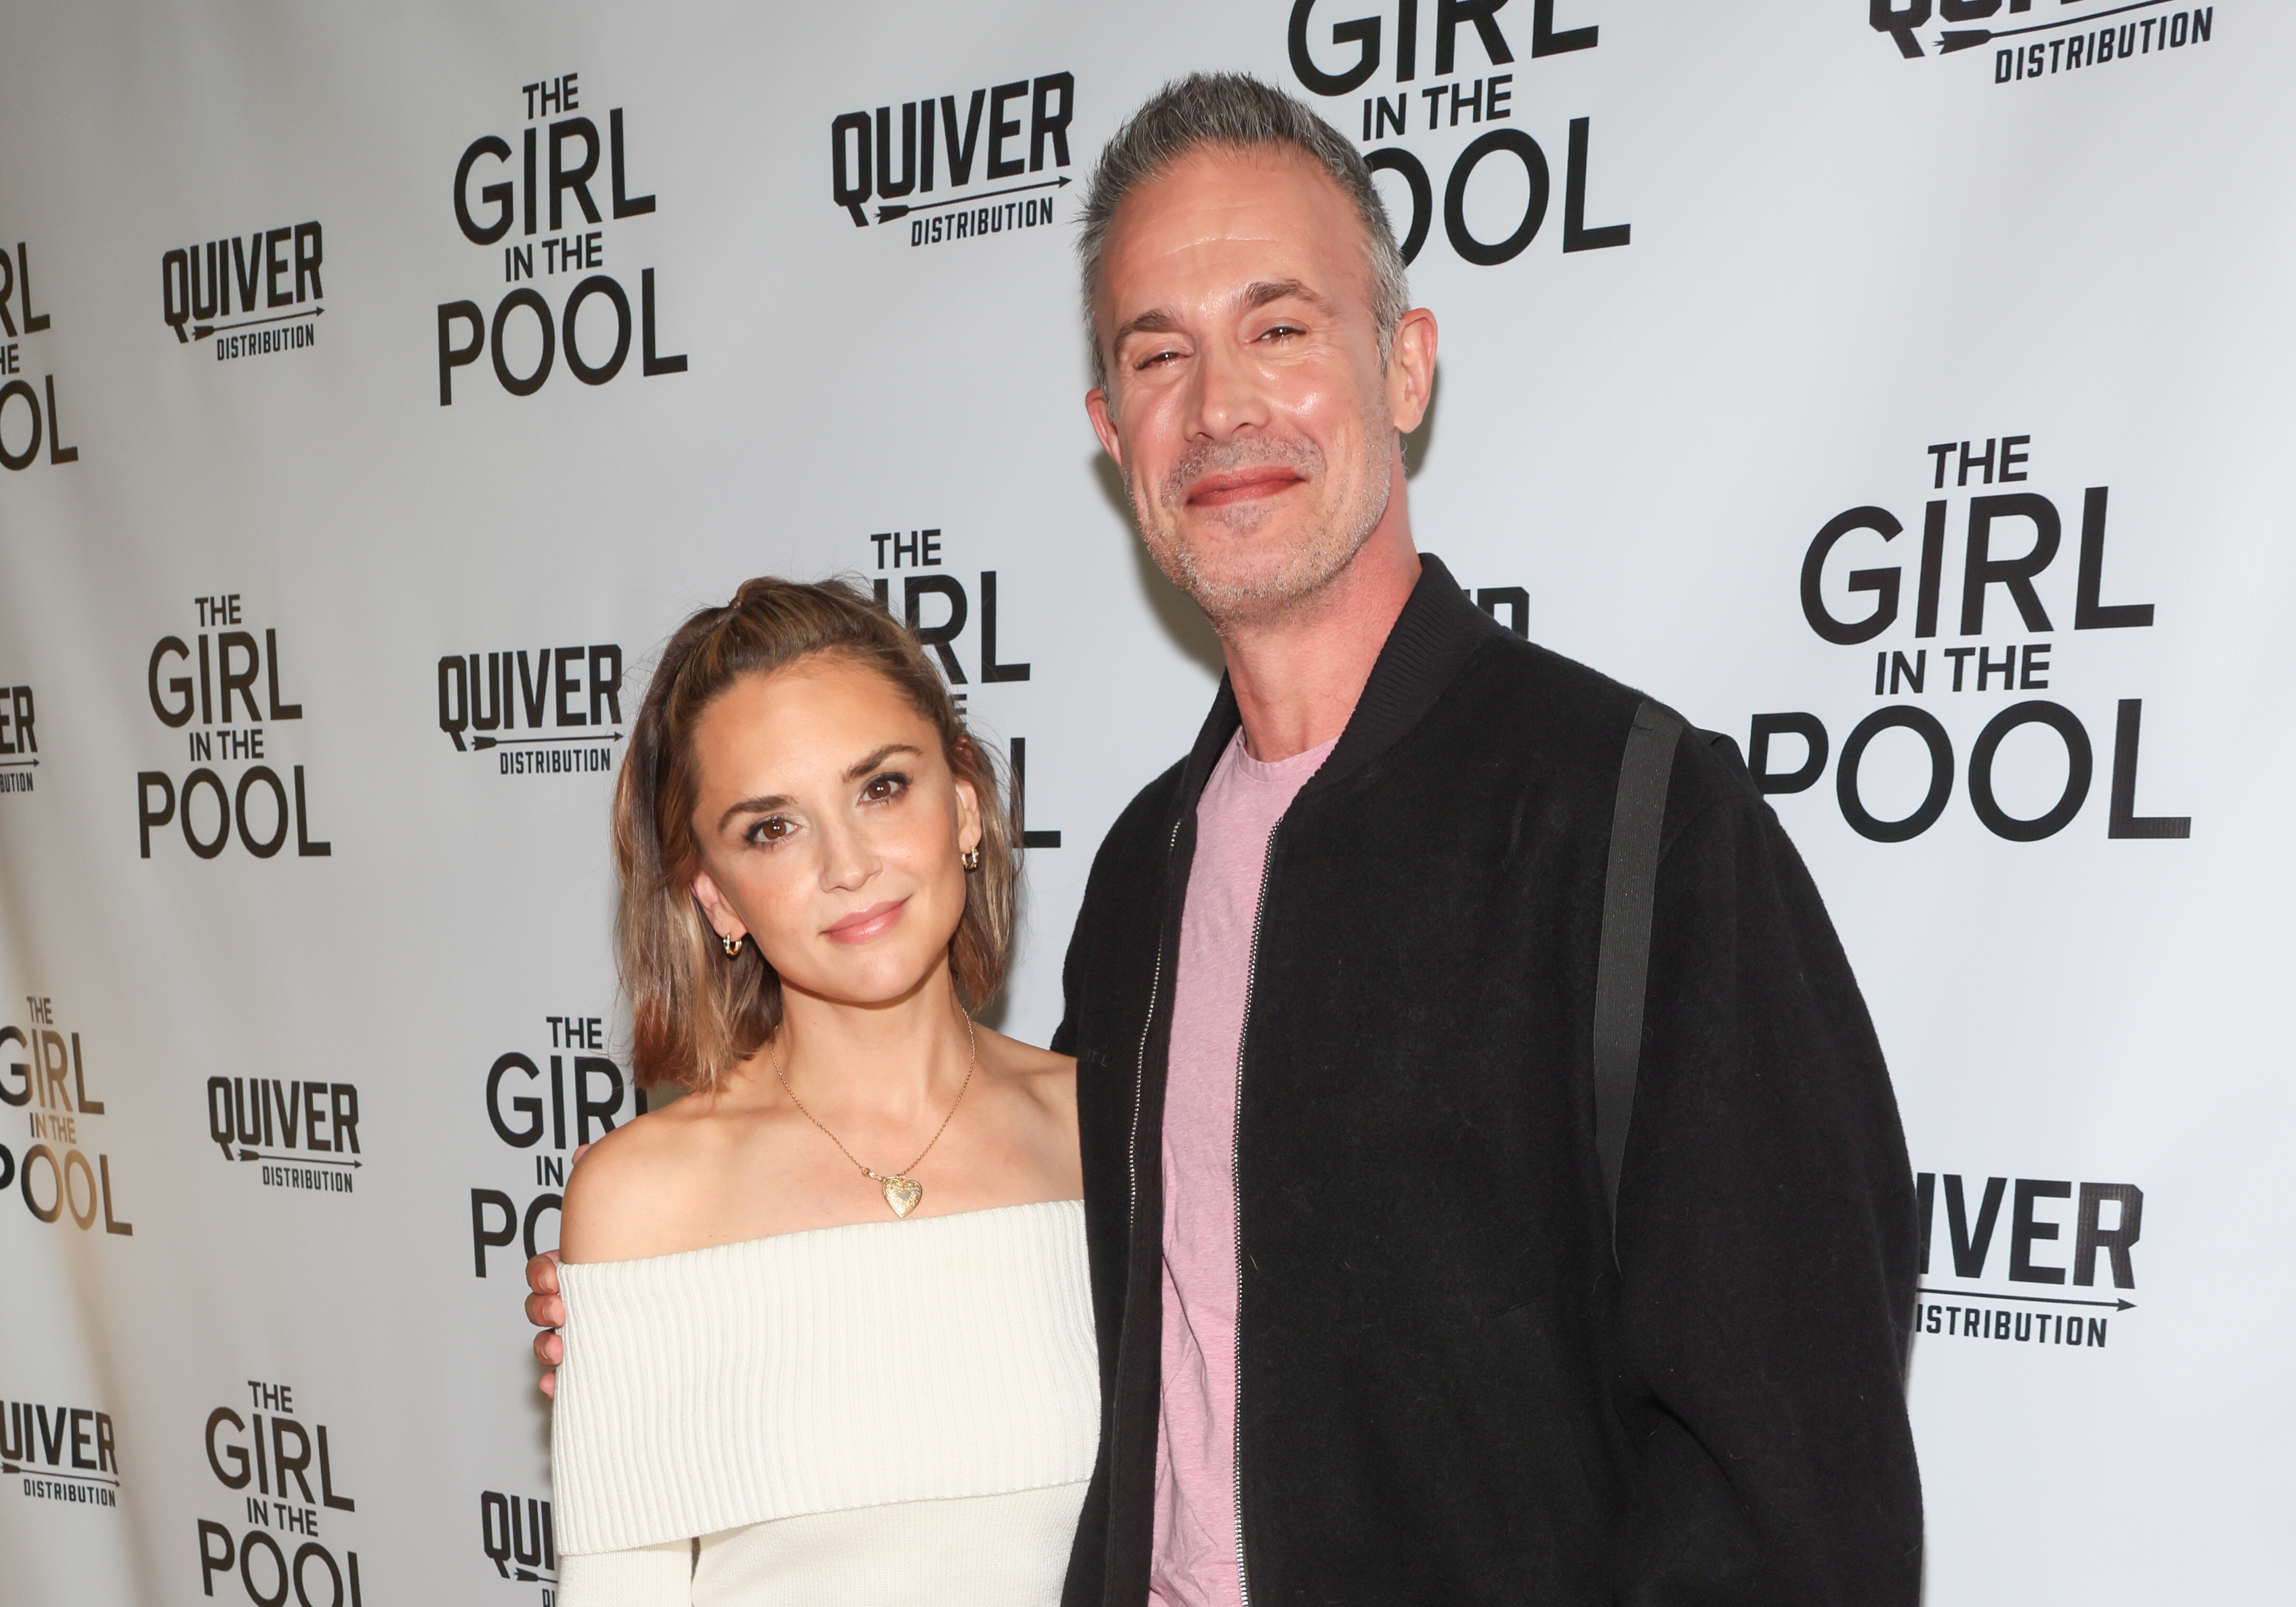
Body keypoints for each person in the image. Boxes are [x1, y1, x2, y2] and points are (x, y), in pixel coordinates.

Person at [536, 72, 1923, 1606]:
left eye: (1279, 330)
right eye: (1159, 356)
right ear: (1109, 432)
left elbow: (1801, 1501)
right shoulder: (1144, 875)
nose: (1222, 411)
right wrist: (663, 1312)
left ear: (1405, 366)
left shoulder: (1645, 827)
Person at [542, 577, 1096, 1605]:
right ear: (715, 894)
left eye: (881, 787)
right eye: (771, 829)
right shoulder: (648, 1198)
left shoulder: (1111, 1136)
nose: (848, 865)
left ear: (964, 804)